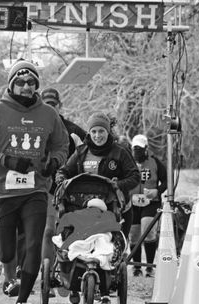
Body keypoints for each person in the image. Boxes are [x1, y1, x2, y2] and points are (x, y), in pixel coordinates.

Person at [0, 59, 69, 304]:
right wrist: (7, 161)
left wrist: (54, 162)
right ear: (12, 84)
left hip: (35, 188)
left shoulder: (48, 114)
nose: (26, 87)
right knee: (6, 251)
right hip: (2, 191)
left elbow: (61, 145)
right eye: (21, 82)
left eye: (31, 82)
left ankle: (22, 299)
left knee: (35, 242)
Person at [56, 111, 139, 304]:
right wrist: (61, 178)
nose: (97, 136)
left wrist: (120, 184)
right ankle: (74, 283)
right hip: (81, 207)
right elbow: (65, 170)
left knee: (108, 246)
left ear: (108, 132)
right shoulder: (81, 152)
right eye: (94, 131)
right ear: (90, 132)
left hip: (112, 207)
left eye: (101, 131)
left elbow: (134, 175)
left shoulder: (119, 152)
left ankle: (104, 290)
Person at [40, 87, 87, 297]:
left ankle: (72, 278)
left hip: (71, 191)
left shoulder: (74, 130)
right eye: (46, 103)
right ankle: (47, 275)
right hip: (46, 189)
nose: (50, 107)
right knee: (49, 232)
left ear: (60, 106)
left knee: (70, 232)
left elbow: (91, 151)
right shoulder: (36, 128)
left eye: (53, 104)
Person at [128, 134, 167, 277]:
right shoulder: (128, 162)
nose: (137, 152)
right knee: (134, 234)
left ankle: (150, 266)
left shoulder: (155, 162)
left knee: (148, 228)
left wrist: (157, 191)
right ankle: (137, 266)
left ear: (146, 149)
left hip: (151, 202)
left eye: (140, 149)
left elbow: (166, 180)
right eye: (134, 149)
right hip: (133, 202)